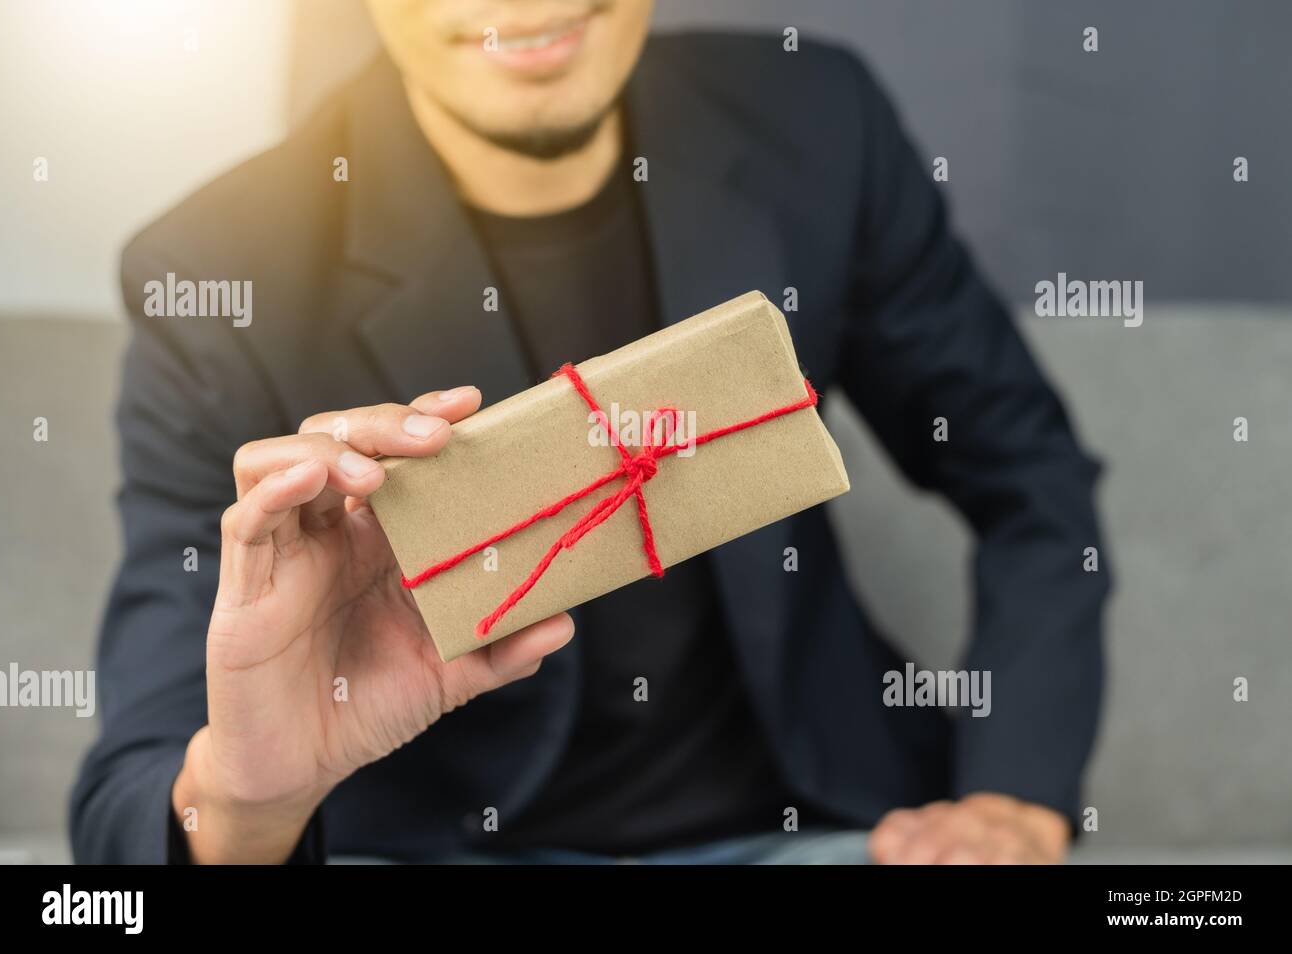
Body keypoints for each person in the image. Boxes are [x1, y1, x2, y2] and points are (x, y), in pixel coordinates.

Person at [71, 0, 1109, 864]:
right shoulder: (218, 268)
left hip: (807, 832)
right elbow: (132, 793)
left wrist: (1018, 795)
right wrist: (250, 803)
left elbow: (1029, 476)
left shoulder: (814, 121)